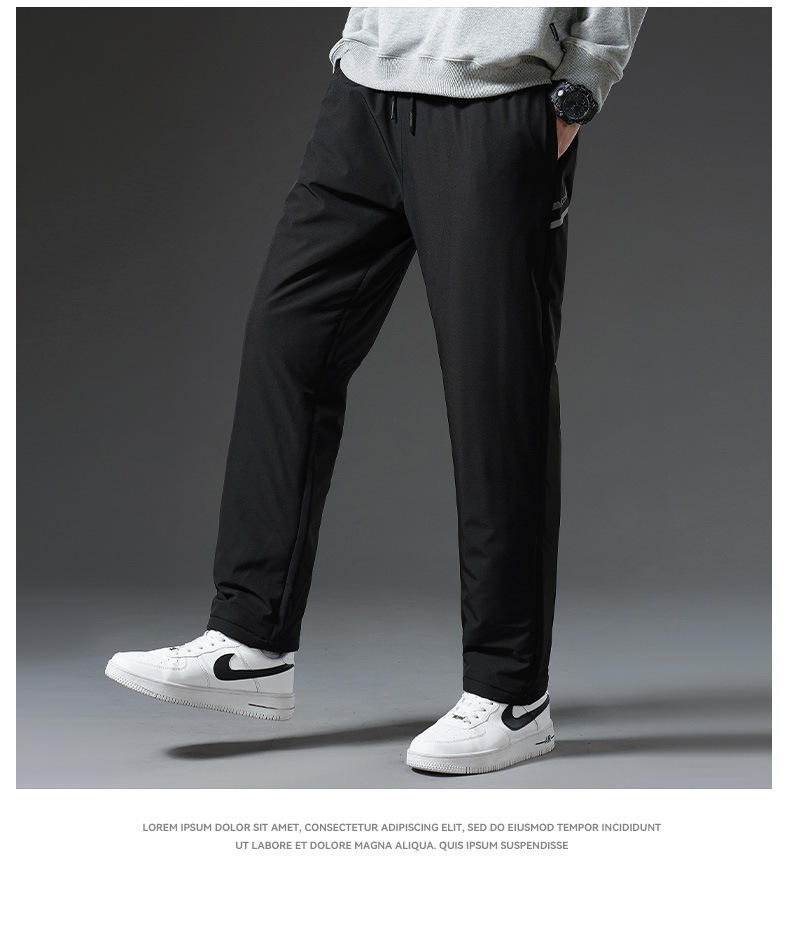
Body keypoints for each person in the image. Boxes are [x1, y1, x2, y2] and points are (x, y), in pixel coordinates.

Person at [106, 7, 647, 775]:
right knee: (287, 342)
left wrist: (580, 86)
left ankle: (511, 695)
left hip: (498, 98)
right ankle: (251, 642)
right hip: (366, 88)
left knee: (496, 391)